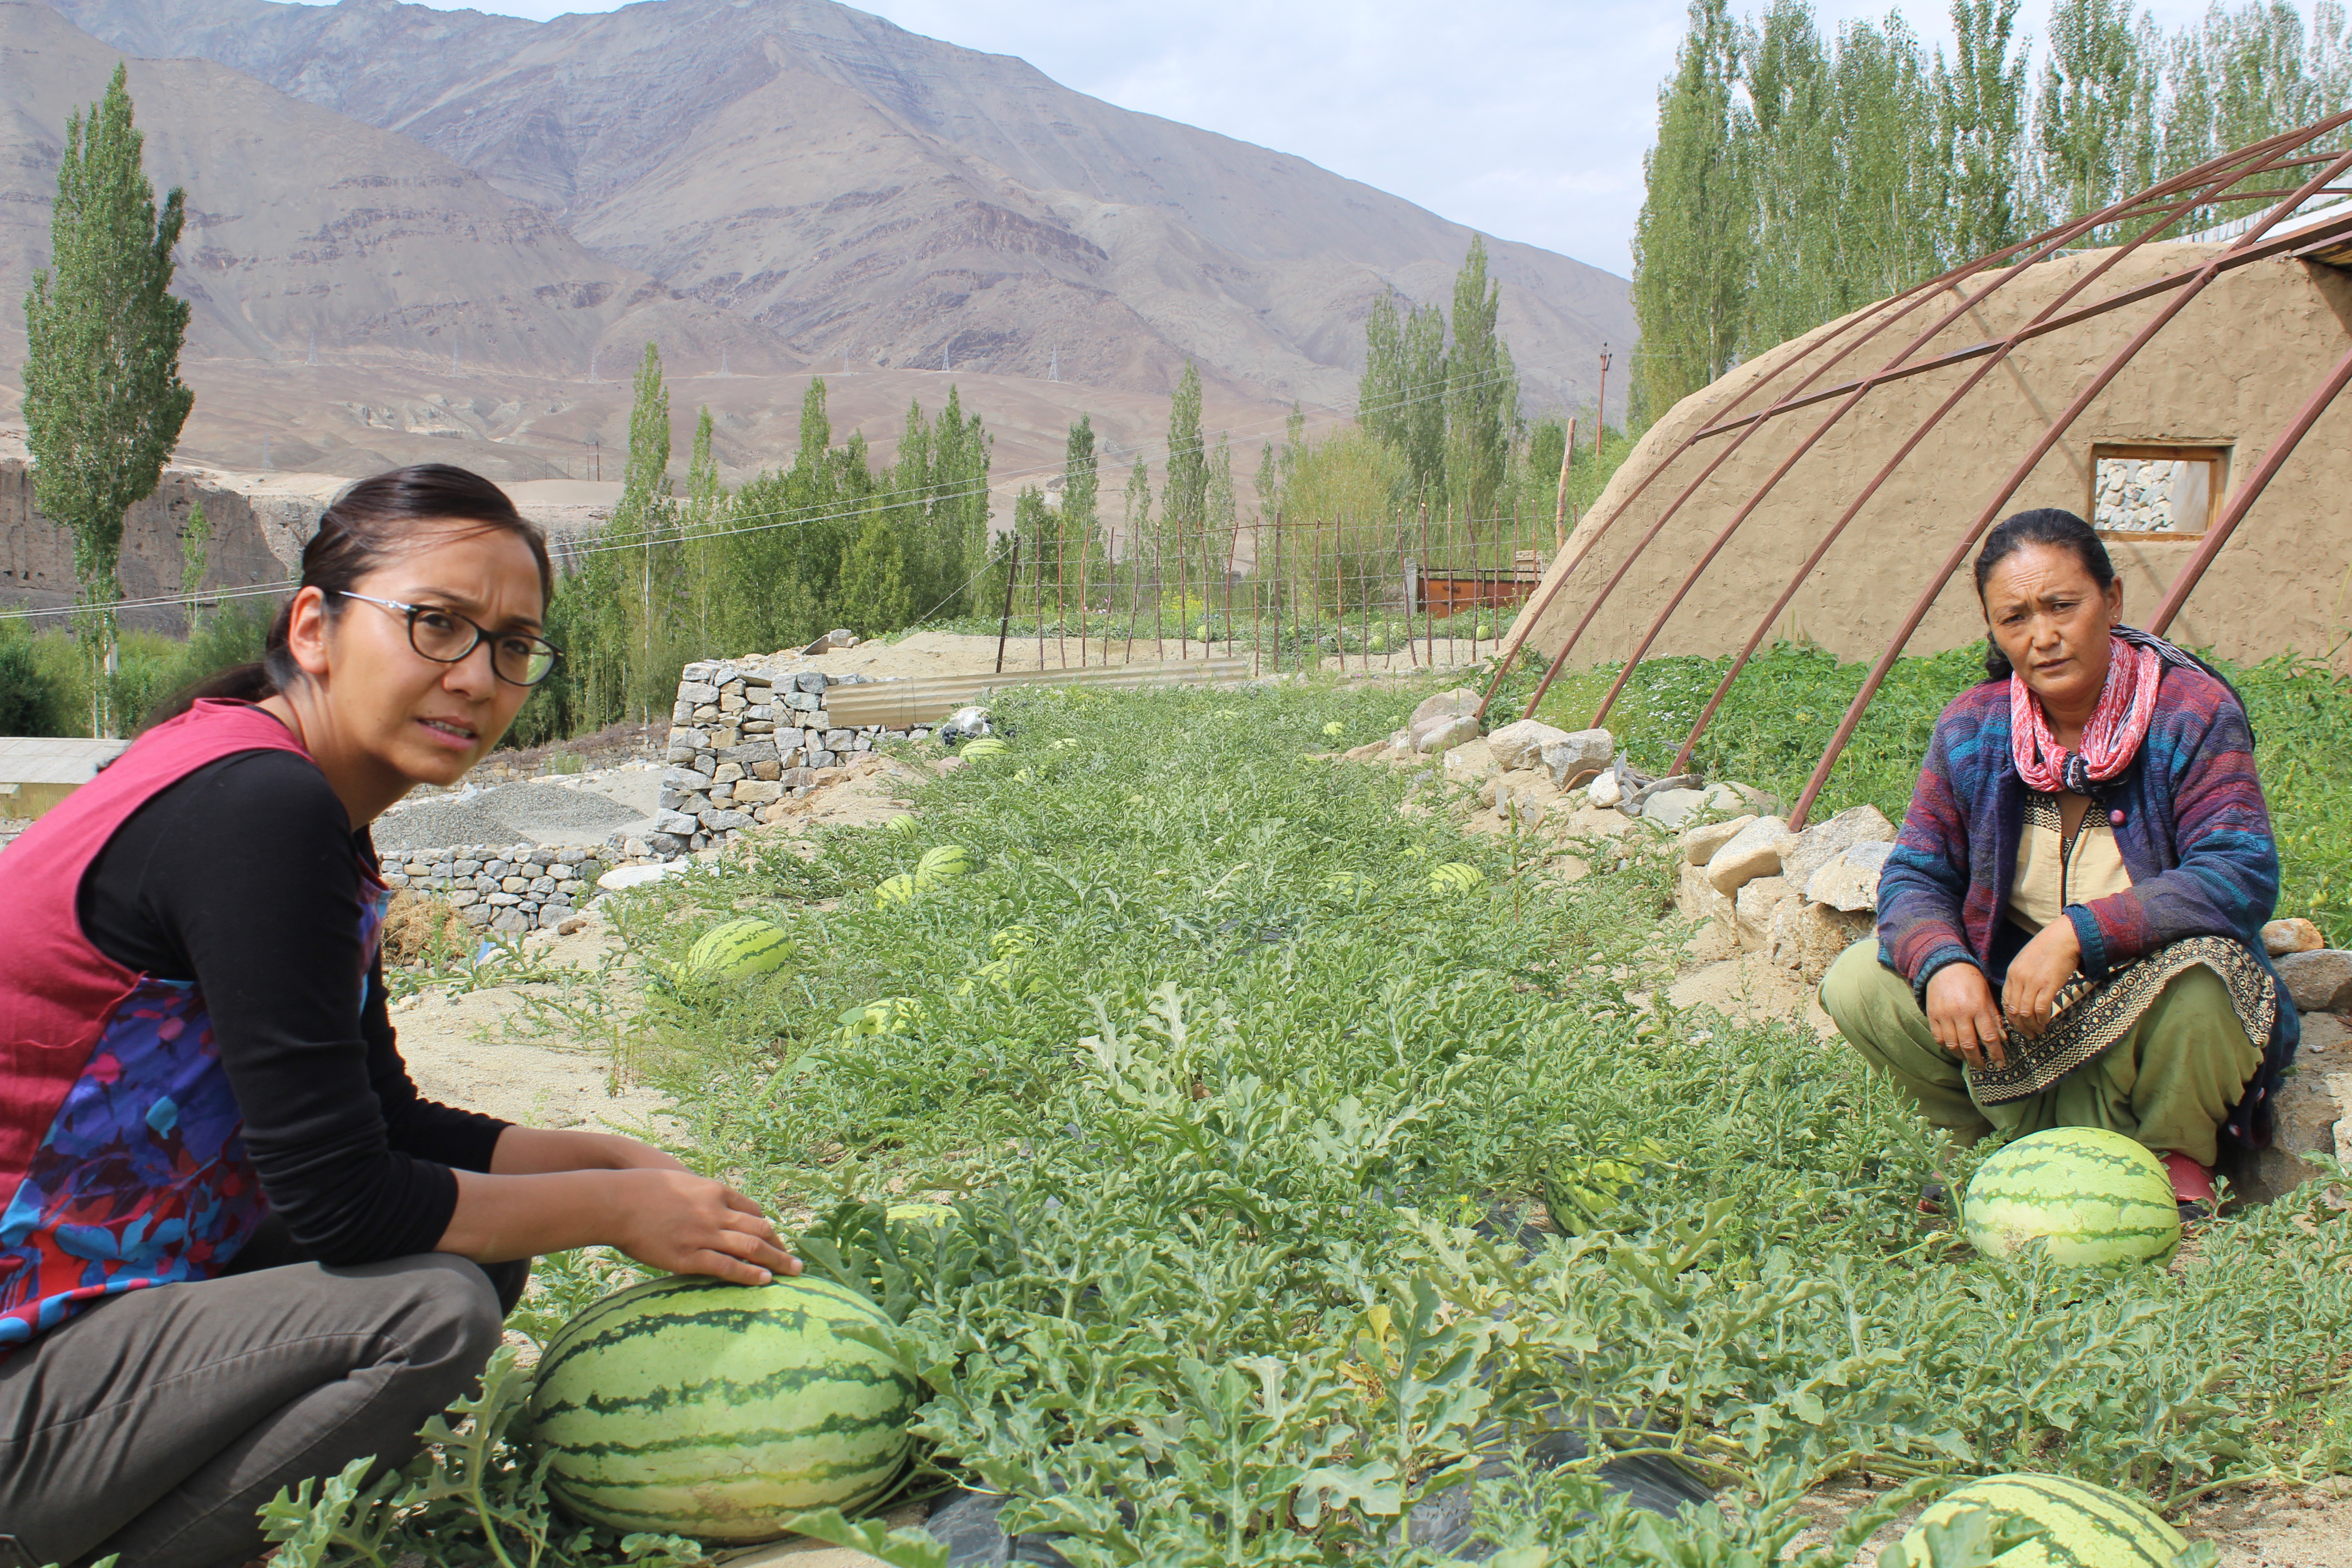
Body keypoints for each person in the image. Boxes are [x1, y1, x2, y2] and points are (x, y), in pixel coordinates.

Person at [0, 466, 801, 1568]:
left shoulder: (278, 788)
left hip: (77, 1319)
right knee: (429, 1309)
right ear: (316, 627)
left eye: (513, 647)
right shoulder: (259, 810)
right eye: (437, 626)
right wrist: (617, 1211)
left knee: (478, 1248)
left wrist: (611, 1162)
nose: (477, 677)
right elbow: (345, 1203)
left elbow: (384, 1125)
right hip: (17, 1373)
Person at [1821, 507, 2297, 1218]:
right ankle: (1979, 1146)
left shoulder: (2192, 714)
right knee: (1860, 980)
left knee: (2208, 984)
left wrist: (2076, 934)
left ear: (2113, 600)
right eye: (2014, 619)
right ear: (1994, 631)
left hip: (2144, 1010)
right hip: (2014, 1009)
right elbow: (1917, 873)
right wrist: (1944, 964)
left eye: (2062, 606)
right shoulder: (1973, 728)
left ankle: (2170, 1156)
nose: (2042, 636)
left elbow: (2238, 871)